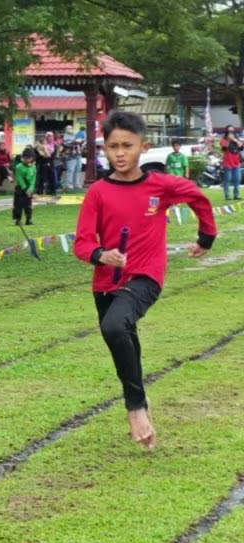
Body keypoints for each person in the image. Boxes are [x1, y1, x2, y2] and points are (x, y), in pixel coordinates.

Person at [73, 111, 217, 449]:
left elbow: (198, 198)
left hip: (145, 276)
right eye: (112, 147)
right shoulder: (98, 192)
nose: (120, 153)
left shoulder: (160, 185)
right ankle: (139, 399)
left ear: (143, 146)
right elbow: (82, 242)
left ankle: (135, 408)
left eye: (127, 145)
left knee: (114, 326)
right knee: (122, 335)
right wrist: (100, 255)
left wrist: (206, 238)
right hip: (105, 281)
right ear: (104, 149)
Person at [13, 147, 37, 226]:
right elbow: (20, 179)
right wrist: (25, 189)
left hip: (29, 188)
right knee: (18, 205)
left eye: (29, 158)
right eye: (25, 158)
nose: (27, 160)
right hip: (20, 188)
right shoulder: (19, 167)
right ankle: (18, 219)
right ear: (23, 158)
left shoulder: (33, 167)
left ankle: (28, 219)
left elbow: (33, 179)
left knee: (28, 205)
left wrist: (31, 189)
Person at [221, 126, 241, 200]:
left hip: (236, 162)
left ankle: (236, 195)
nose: (231, 132)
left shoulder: (236, 139)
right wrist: (229, 140)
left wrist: (236, 141)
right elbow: (223, 149)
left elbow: (241, 147)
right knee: (227, 180)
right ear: (226, 131)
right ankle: (227, 195)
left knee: (237, 179)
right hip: (228, 163)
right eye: (229, 131)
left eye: (232, 131)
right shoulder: (224, 139)